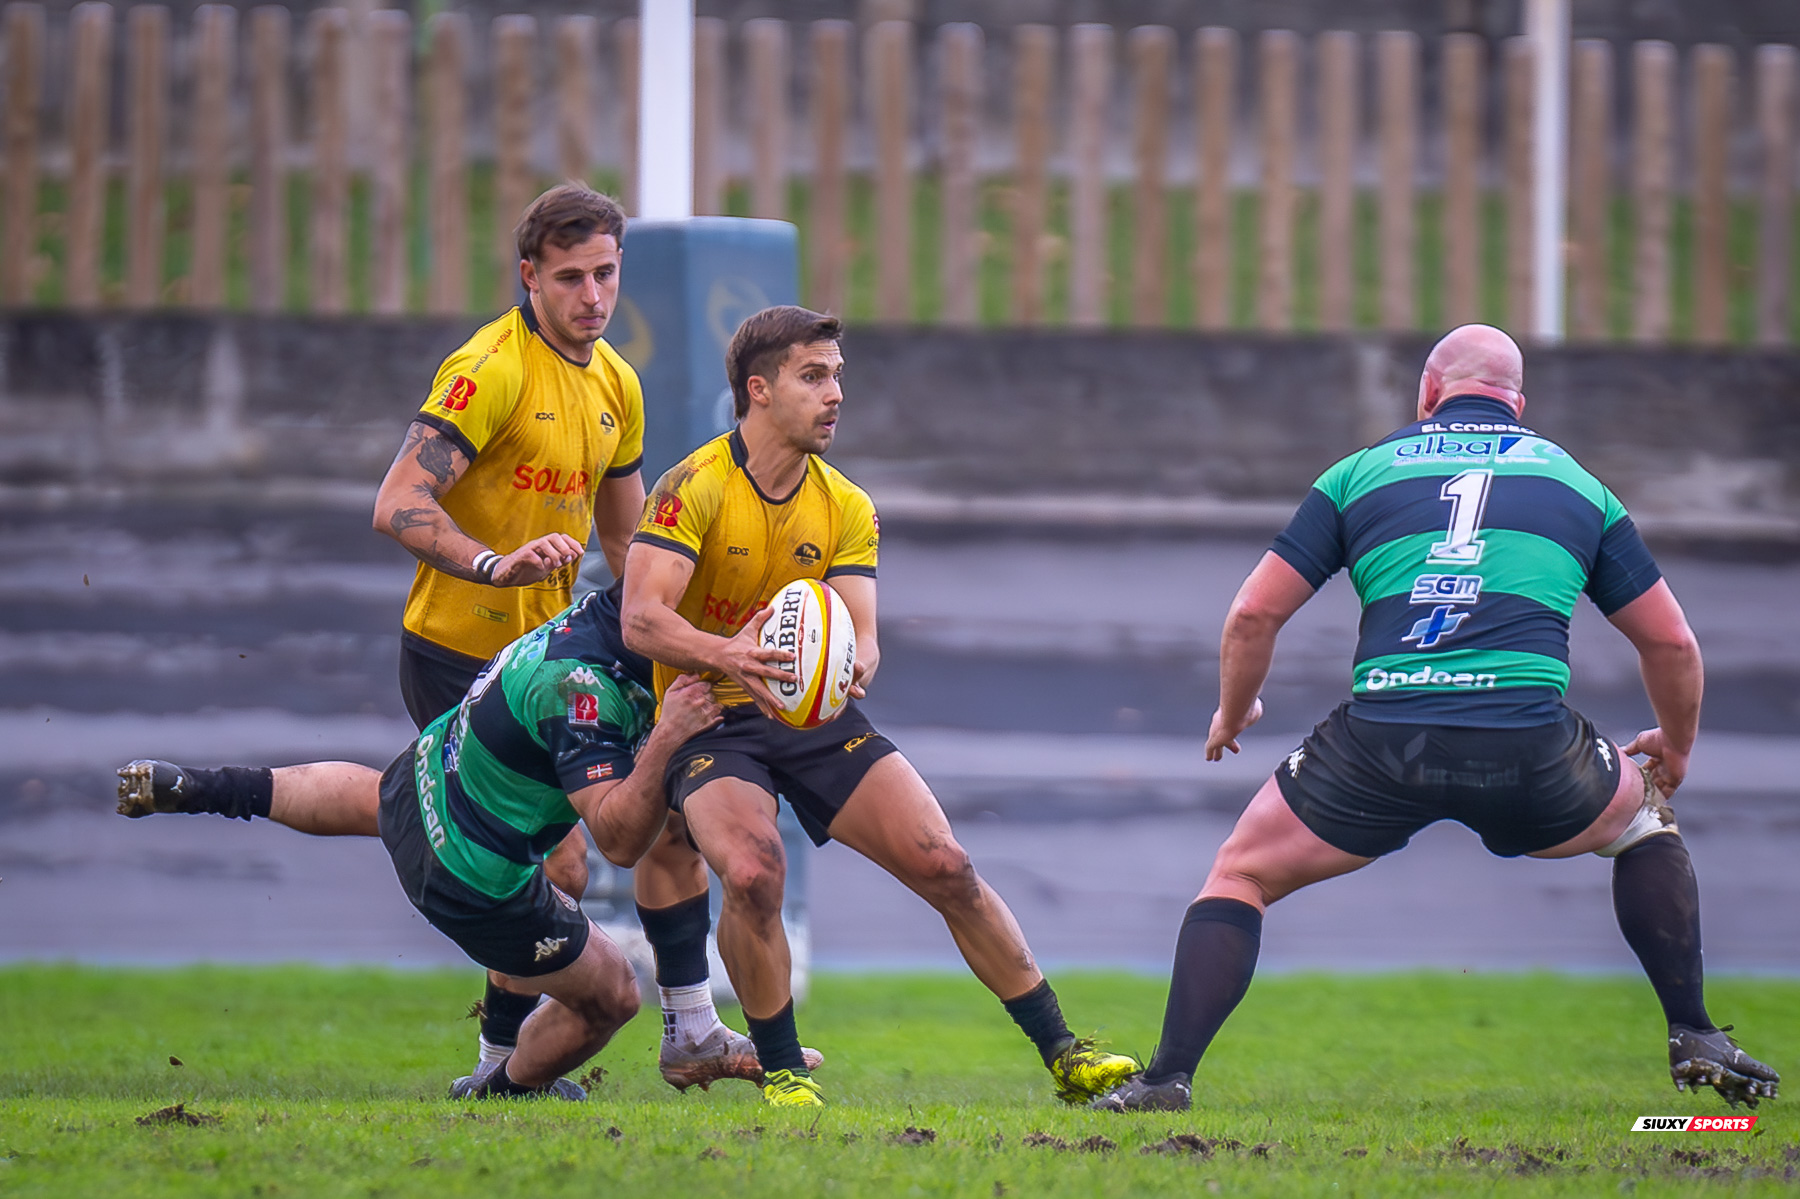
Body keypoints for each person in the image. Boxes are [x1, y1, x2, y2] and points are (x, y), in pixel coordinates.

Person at [1093, 324, 1781, 1113]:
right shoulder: (1578, 484)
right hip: (1527, 739)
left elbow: (1253, 613)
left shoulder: (1358, 473)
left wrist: (1235, 704)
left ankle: (1167, 1079)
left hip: (1384, 737)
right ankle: (1693, 1033)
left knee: (1241, 873)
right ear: (1520, 406)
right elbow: (1670, 640)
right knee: (1644, 825)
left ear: (1427, 394)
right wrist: (1677, 748)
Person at [620, 305, 1139, 1108]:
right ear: (758, 390)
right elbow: (642, 619)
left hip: (810, 714)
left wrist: (851, 662)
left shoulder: (847, 505)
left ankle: (1065, 1051)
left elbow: (861, 634)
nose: (835, 394)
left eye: (838, 376)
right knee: (755, 873)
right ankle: (785, 1072)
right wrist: (733, 656)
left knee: (947, 863)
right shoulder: (692, 486)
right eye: (813, 376)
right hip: (710, 714)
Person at [120, 591, 723, 1098]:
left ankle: (205, 788)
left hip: (424, 781)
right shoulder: (581, 689)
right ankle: (500, 1091)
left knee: (393, 801)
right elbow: (620, 840)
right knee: (613, 996)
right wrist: (669, 736)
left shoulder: (596, 614)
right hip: (467, 878)